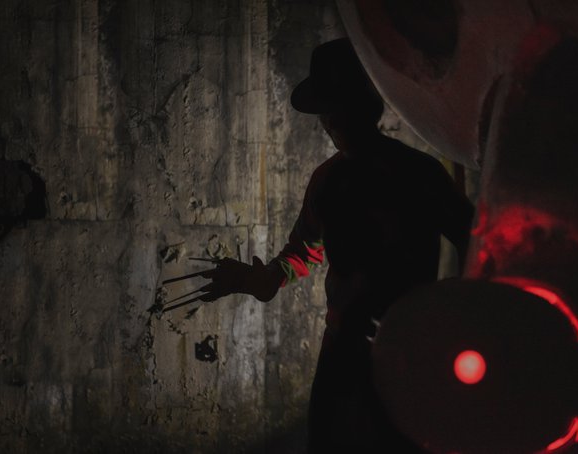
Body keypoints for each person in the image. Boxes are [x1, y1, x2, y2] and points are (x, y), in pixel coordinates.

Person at [199, 38, 474, 452]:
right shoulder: (328, 180)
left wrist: (454, 312)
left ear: (366, 106)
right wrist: (264, 279)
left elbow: (475, 239)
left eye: (339, 107)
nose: (330, 121)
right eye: (326, 111)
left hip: (408, 351)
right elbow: (303, 251)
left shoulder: (419, 175)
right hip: (344, 348)